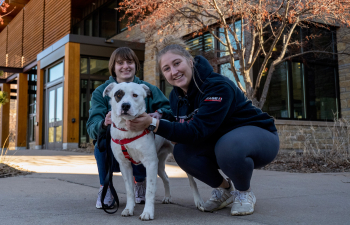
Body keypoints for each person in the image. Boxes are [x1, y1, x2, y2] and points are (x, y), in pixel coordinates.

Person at [126, 36, 280, 216]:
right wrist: (160, 115)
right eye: (166, 69)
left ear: (190, 62)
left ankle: (244, 193)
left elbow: (197, 130)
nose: (173, 71)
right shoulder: (177, 96)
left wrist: (153, 123)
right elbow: (183, 121)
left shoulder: (217, 86)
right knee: (182, 151)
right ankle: (225, 190)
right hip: (221, 141)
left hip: (259, 137)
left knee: (228, 146)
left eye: (177, 63)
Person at [86, 47, 172, 209]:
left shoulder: (147, 88)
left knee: (144, 141)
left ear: (135, 65)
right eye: (120, 63)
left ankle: (140, 182)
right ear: (113, 67)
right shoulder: (102, 92)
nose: (125, 66)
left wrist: (159, 113)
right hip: (115, 150)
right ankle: (106, 186)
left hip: (141, 147)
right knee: (101, 143)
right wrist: (104, 123)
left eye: (129, 62)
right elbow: (91, 127)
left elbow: (170, 110)